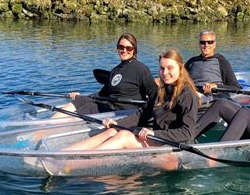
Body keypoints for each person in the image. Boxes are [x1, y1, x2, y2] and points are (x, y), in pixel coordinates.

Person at [63, 49, 200, 151]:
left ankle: (79, 162)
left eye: (170, 68)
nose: (165, 73)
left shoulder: (187, 95)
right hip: (157, 139)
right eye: (162, 68)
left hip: (172, 145)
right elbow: (142, 114)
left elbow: (187, 133)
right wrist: (116, 123)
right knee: (113, 130)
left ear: (181, 68)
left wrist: (154, 133)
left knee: (124, 136)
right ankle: (66, 153)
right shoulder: (161, 91)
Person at [53, 33, 157, 118]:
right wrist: (80, 96)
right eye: (121, 47)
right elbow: (102, 94)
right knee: (80, 100)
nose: (124, 50)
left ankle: (60, 127)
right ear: (117, 48)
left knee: (86, 109)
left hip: (121, 112)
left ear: (134, 50)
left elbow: (154, 94)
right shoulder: (115, 70)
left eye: (128, 48)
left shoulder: (141, 70)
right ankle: (45, 126)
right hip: (108, 104)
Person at [185, 29, 240, 94]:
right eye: (203, 42)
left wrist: (216, 86)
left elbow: (235, 87)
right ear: (199, 44)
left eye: (210, 42)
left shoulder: (222, 62)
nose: (206, 45)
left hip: (215, 97)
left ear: (214, 44)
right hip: (192, 95)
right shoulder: (191, 62)